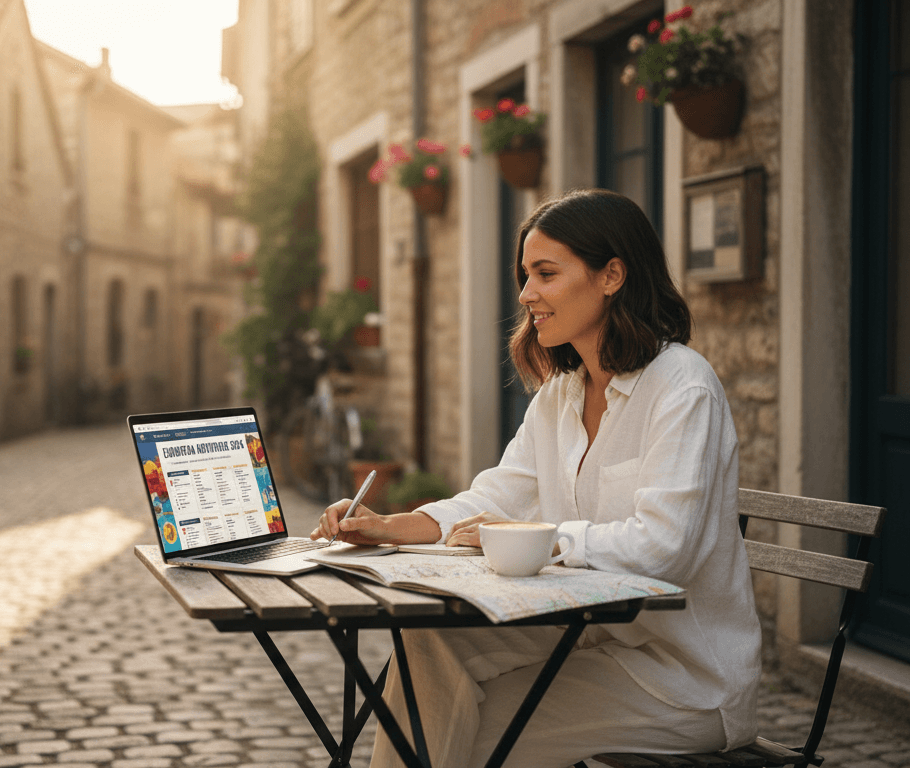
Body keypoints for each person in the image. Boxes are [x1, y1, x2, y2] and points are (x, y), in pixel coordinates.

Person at [311, 188, 761, 768]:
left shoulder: (683, 388)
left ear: (612, 275)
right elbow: (495, 495)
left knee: (453, 733)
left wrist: (543, 538)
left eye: (545, 274)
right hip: (589, 631)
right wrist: (387, 526)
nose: (526, 294)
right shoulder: (561, 394)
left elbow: (664, 548)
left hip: (683, 675)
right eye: (526, 274)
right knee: (427, 642)